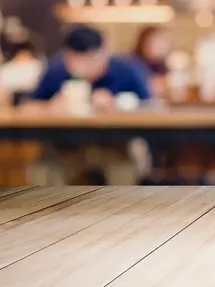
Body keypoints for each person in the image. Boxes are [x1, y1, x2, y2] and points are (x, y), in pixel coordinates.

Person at [25, 25, 151, 186]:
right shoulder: (56, 71)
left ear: (104, 53)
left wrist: (117, 104)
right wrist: (50, 107)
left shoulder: (126, 70)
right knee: (43, 171)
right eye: (77, 60)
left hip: (116, 147)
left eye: (92, 59)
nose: (86, 67)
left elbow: (151, 106)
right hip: (67, 149)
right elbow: (28, 106)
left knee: (124, 170)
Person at [131, 26, 172, 97]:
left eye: (165, 42)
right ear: (143, 43)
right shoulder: (132, 65)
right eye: (158, 41)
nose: (162, 46)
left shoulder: (162, 66)